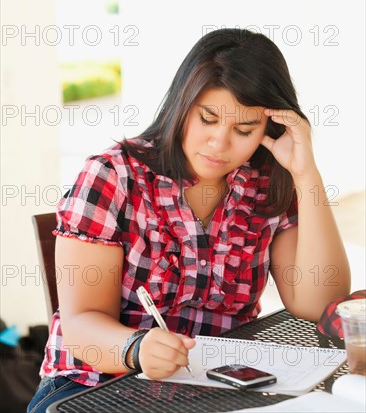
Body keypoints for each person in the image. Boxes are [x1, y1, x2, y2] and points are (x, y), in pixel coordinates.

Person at [27, 28, 351, 412]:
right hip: (93, 388)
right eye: (208, 119)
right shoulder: (112, 177)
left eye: (244, 130)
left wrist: (306, 175)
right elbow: (81, 325)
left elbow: (321, 302)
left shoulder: (264, 184)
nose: (219, 142)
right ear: (183, 104)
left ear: (269, 129)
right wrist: (137, 348)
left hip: (216, 390)